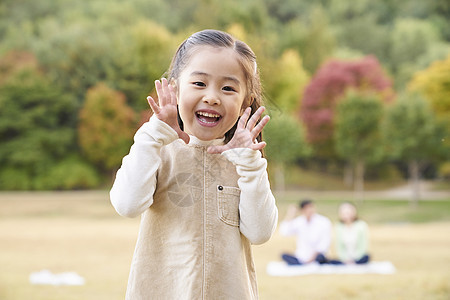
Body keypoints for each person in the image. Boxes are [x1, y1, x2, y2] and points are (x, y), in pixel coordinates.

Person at [110, 29, 278, 299]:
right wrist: (153, 134)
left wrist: (251, 165)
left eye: (228, 88)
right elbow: (127, 205)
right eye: (199, 83)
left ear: (245, 101)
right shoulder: (158, 149)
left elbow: (259, 233)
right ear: (174, 87)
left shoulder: (245, 161)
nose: (212, 97)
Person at [279, 199, 332, 265]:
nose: (309, 210)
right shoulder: (299, 221)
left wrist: (312, 257)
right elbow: (284, 232)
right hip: (302, 257)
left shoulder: (323, 222)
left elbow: (324, 244)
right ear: (302, 210)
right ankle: (302, 264)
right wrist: (290, 214)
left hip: (318, 256)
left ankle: (304, 264)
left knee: (320, 258)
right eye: (306, 208)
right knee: (283, 255)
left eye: (311, 207)